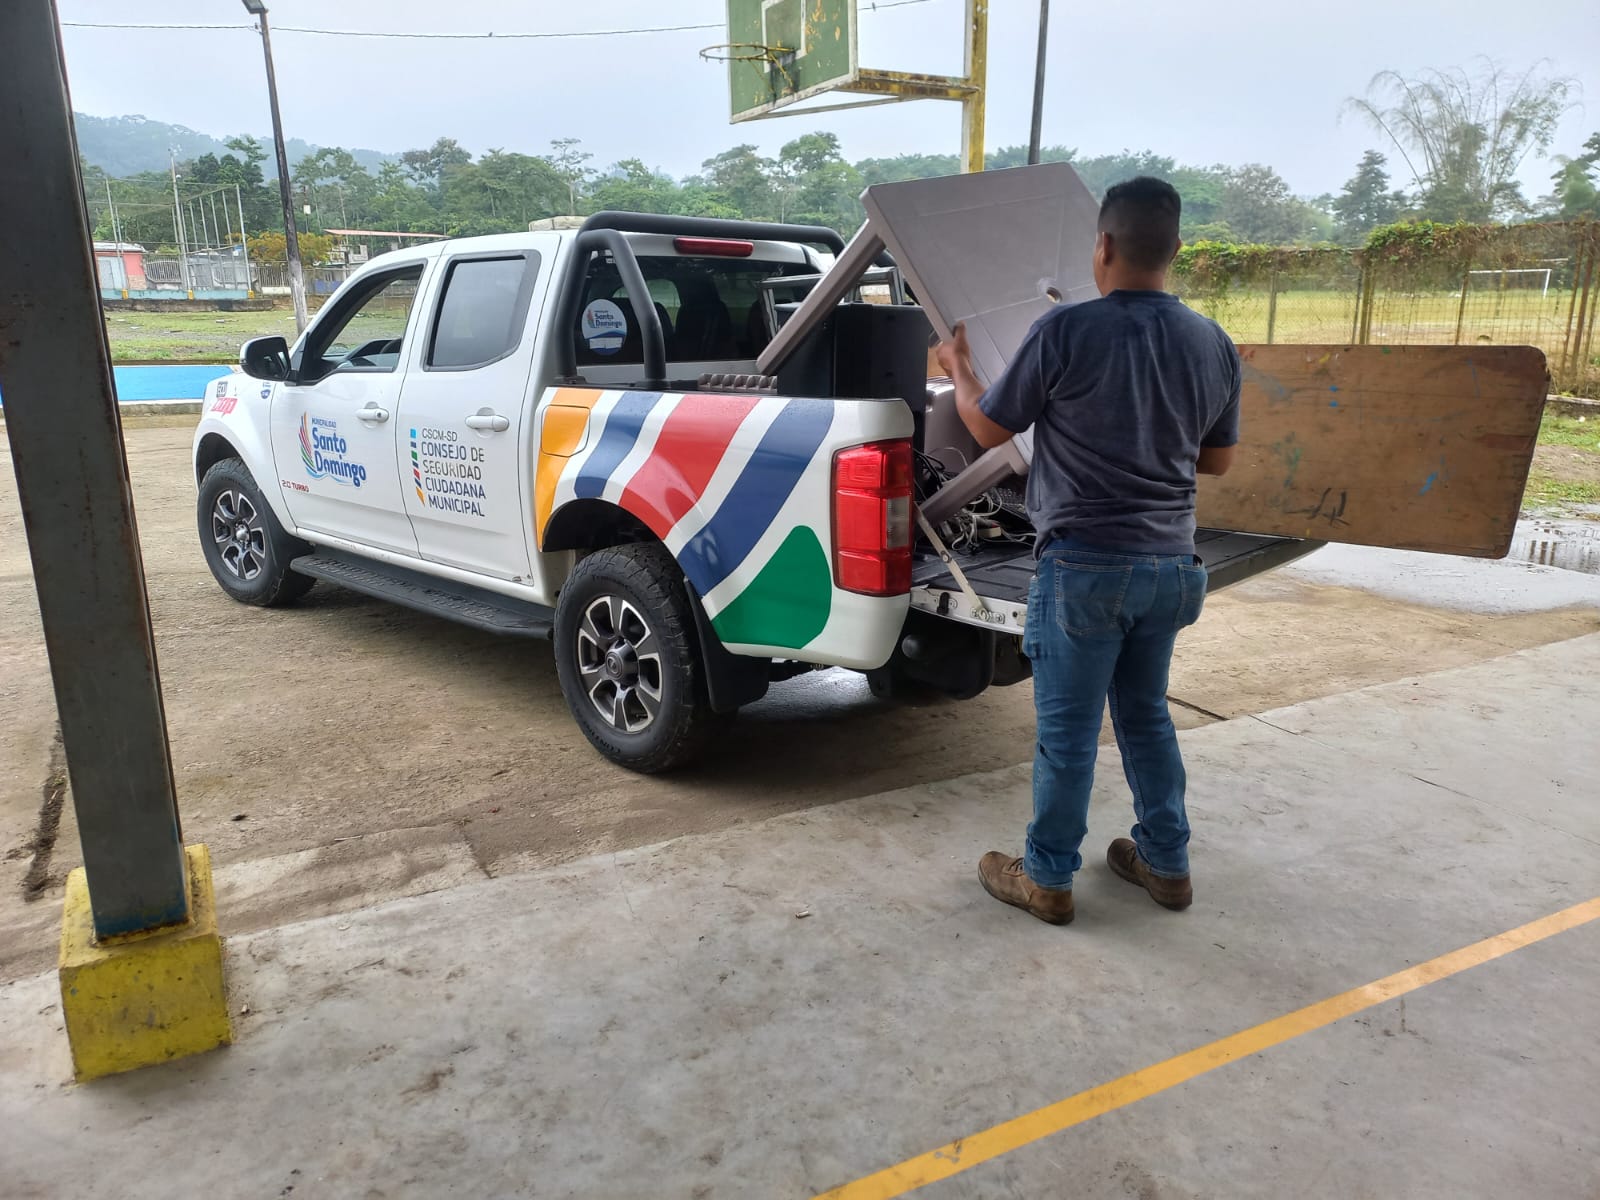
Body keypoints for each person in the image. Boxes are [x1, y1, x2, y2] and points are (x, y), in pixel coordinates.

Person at [933, 176, 1240, 927]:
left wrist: (958, 367)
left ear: (1102, 245)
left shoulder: (1066, 331)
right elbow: (1218, 461)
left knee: (1068, 737)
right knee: (1146, 718)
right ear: (1175, 249)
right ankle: (1166, 864)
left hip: (1085, 570)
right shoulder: (1212, 341)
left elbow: (989, 429)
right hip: (1172, 568)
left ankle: (1046, 879)